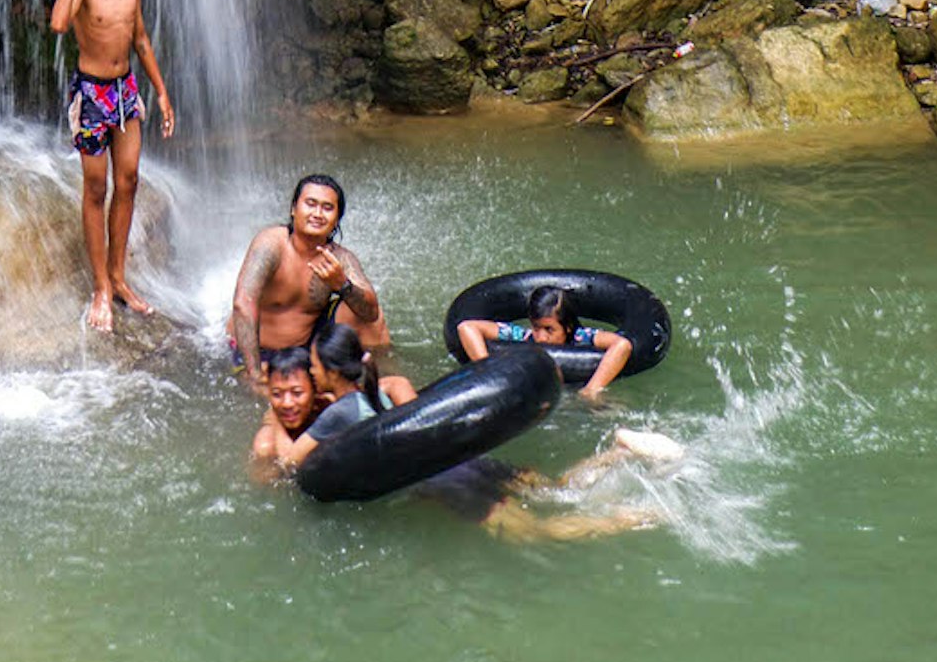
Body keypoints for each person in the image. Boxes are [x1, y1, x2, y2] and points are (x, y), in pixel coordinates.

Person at [296, 321, 659, 539]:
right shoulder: (388, 385)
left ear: (330, 370)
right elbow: (420, 415)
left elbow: (286, 465)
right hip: (468, 462)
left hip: (449, 485)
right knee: (556, 488)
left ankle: (633, 519)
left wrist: (272, 428)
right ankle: (620, 452)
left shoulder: (338, 414)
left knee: (538, 532)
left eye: (313, 366)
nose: (310, 372)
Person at [49, 0, 174, 332]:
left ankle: (119, 277)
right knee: (95, 188)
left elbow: (139, 38)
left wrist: (161, 91)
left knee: (129, 180)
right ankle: (100, 286)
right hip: (91, 94)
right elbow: (58, 24)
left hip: (126, 91)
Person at [230, 175, 415, 404]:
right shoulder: (272, 243)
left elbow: (371, 312)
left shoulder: (340, 258)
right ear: (293, 209)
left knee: (367, 318)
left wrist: (342, 285)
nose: (318, 214)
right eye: (311, 204)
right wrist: (254, 374)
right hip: (260, 350)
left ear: (337, 219)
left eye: (327, 208)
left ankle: (382, 381)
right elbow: (243, 302)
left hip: (307, 349)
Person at [456, 286, 634, 402]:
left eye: (549, 330)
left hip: (575, 393)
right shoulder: (523, 337)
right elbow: (467, 327)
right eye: (536, 327)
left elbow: (622, 345)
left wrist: (592, 388)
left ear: (568, 327)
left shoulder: (582, 338)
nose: (541, 338)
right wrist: (490, 371)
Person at [248, 347, 327, 480]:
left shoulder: (329, 406)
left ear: (316, 388)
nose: (287, 403)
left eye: (297, 393)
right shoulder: (266, 447)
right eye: (277, 394)